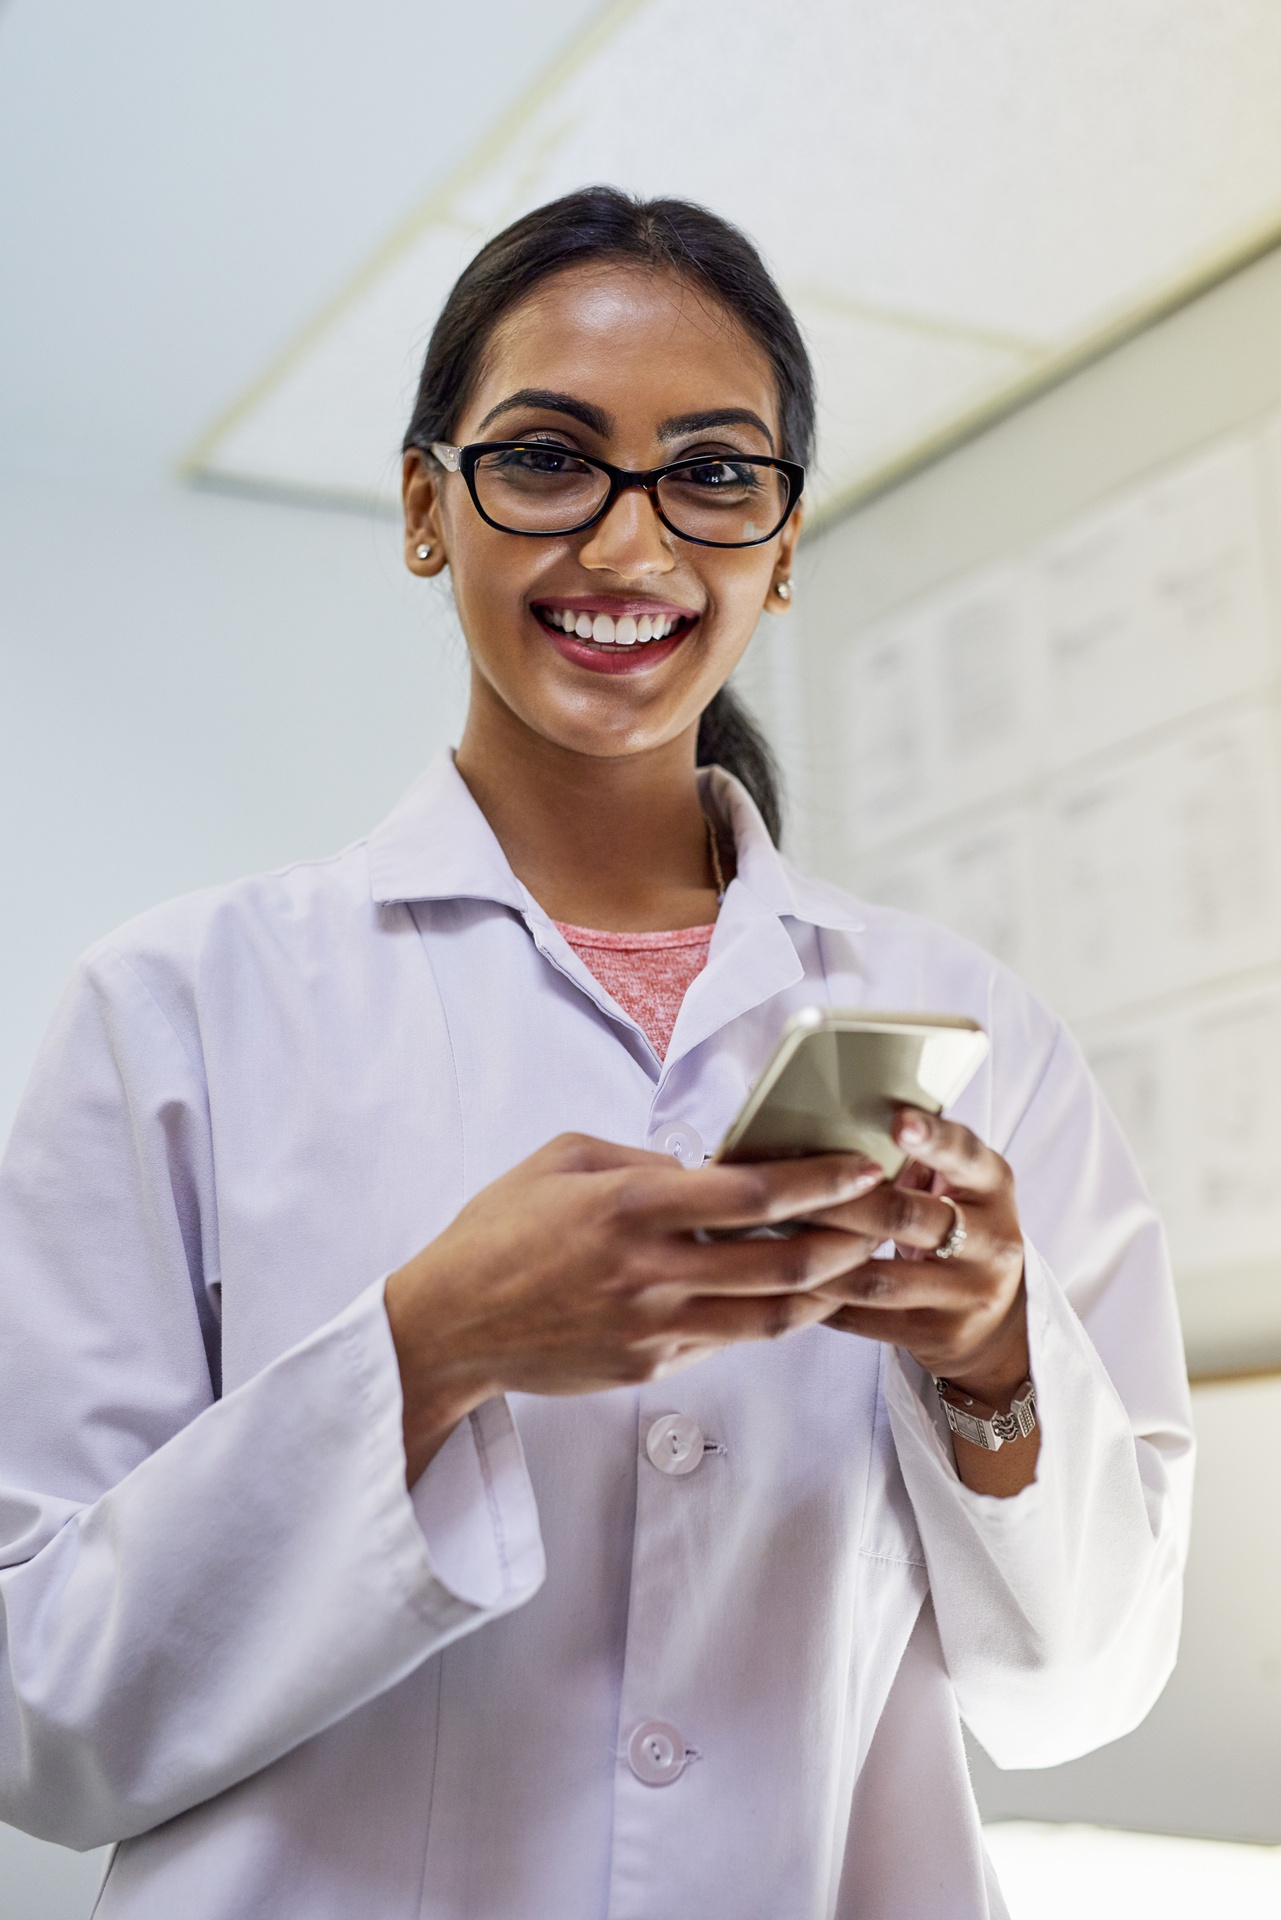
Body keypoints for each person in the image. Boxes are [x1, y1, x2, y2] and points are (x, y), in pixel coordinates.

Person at [0, 188, 1192, 1920]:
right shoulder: (174, 1009)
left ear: (783, 547)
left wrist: (999, 1365)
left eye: (714, 474)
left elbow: (1082, 1689)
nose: (631, 550)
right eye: (548, 458)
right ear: (428, 507)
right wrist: (430, 1347)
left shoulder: (973, 1030)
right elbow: (41, 1713)